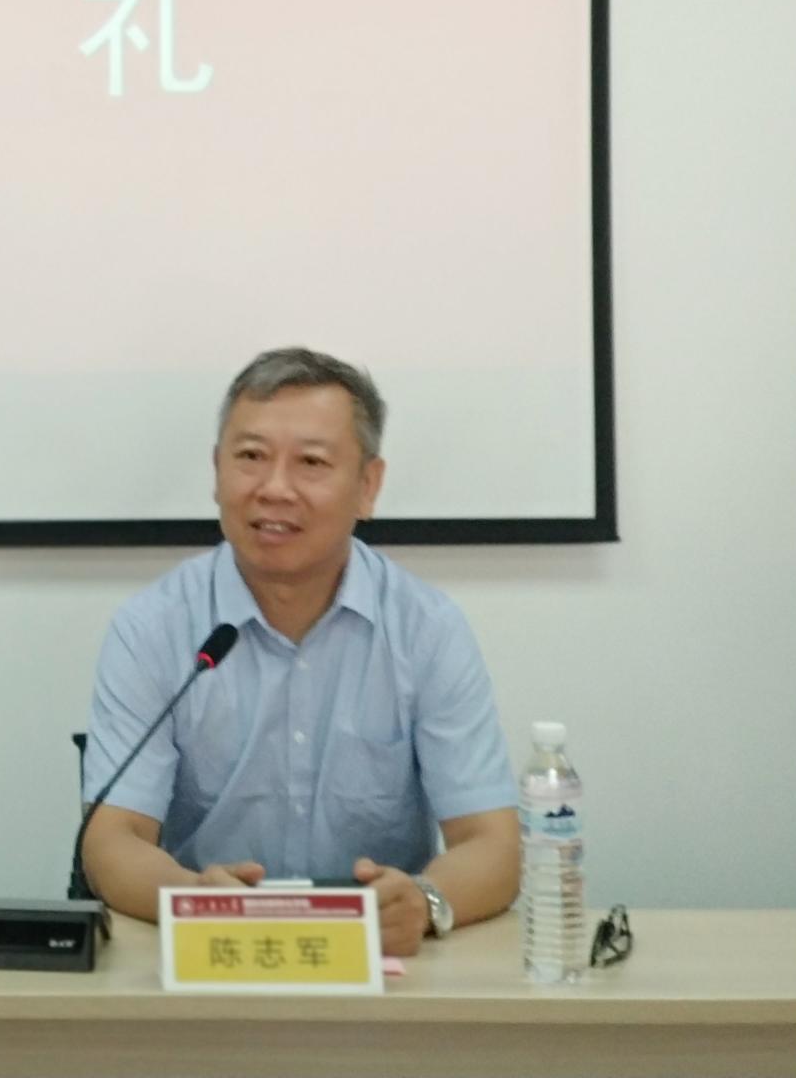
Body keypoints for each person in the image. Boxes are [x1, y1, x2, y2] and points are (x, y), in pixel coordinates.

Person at [79, 348, 519, 956]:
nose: (275, 489)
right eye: (250, 457)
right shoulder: (153, 628)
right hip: (209, 959)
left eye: (311, 462)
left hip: (381, 968)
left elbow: (493, 845)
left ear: (368, 486)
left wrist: (423, 902)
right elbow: (111, 840)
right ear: (216, 472)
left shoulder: (426, 629)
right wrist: (193, 899)